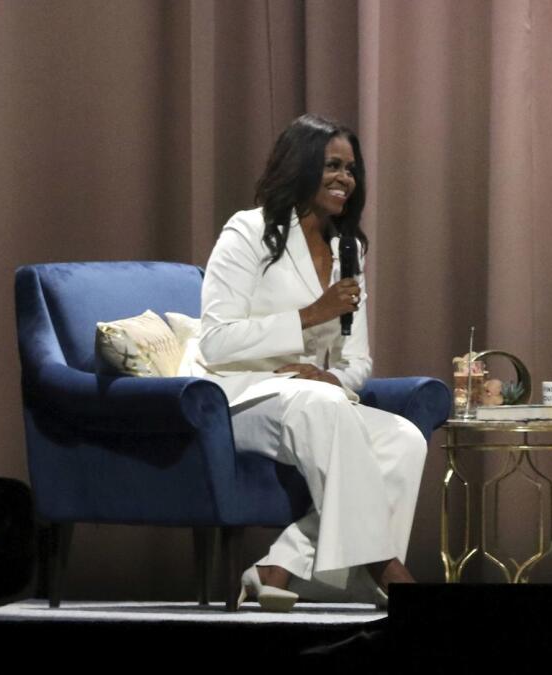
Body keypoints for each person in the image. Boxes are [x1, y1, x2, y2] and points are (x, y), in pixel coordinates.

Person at [197, 113, 426, 611]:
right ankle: (384, 568)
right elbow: (214, 342)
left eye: (351, 168)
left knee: (403, 439)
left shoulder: (349, 250)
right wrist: (309, 315)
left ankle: (276, 568)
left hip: (317, 399)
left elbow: (358, 358)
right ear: (301, 166)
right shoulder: (249, 230)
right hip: (242, 398)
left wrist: (332, 375)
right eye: (332, 165)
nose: (346, 178)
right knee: (324, 405)